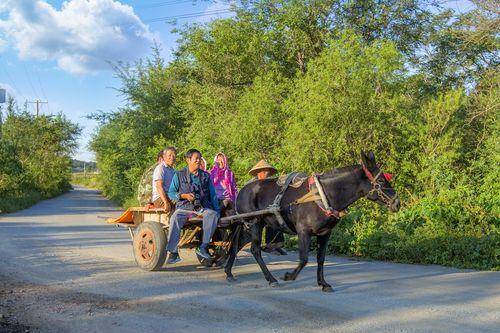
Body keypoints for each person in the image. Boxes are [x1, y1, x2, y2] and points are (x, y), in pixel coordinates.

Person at [167, 149, 220, 264]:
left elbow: (213, 195)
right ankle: (173, 252)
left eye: (200, 158)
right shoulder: (179, 175)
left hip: (201, 209)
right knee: (175, 217)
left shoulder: (206, 176)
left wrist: (217, 211)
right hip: (184, 208)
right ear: (188, 160)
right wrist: (184, 196)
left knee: (213, 214)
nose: (198, 160)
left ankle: (203, 247)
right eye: (196, 158)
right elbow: (170, 193)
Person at [248, 160, 287, 256]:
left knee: (278, 217)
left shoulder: (271, 183)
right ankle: (269, 246)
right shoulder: (252, 183)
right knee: (269, 219)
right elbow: (249, 199)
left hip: (268, 207)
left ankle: (275, 245)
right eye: (264, 172)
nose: (266, 174)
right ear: (259, 173)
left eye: (267, 172)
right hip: (255, 208)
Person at [151, 147, 177, 213]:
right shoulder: (160, 168)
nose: (172, 157)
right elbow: (159, 186)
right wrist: (165, 202)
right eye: (170, 155)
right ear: (164, 157)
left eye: (174, 155)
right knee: (179, 202)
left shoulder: (173, 170)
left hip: (170, 196)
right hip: (160, 198)